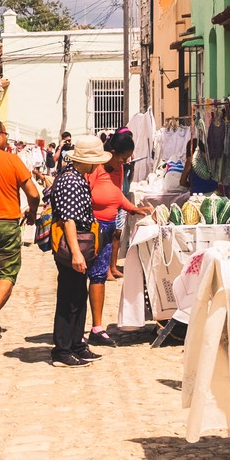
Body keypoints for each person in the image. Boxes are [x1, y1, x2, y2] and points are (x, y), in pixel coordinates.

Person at [0, 118, 40, 347]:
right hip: (6, 223)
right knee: (7, 275)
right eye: (5, 134)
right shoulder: (12, 160)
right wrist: (32, 212)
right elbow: (33, 193)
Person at [86, 129, 151, 345]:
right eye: (122, 158)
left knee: (98, 277)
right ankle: (75, 327)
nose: (124, 163)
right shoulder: (95, 168)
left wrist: (134, 209)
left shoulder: (118, 169)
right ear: (111, 152)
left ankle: (97, 327)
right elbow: (86, 195)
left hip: (109, 226)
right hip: (91, 229)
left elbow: (116, 194)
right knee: (80, 279)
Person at [45, 139, 106, 366]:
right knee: (69, 297)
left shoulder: (73, 176)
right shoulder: (71, 180)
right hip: (74, 245)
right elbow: (69, 219)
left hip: (78, 244)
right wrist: (76, 253)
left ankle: (76, 344)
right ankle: (62, 350)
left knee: (78, 295)